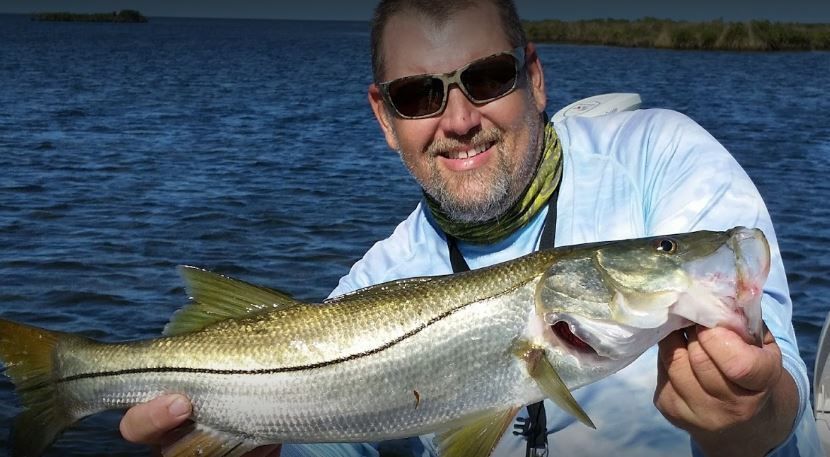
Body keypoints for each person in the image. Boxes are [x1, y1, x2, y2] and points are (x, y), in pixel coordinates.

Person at [120, 0, 823, 455]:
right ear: (383, 117)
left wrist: (748, 410)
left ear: (536, 78)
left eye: (487, 77)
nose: (458, 119)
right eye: (419, 94)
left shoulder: (657, 157)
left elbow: (781, 396)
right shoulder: (371, 281)